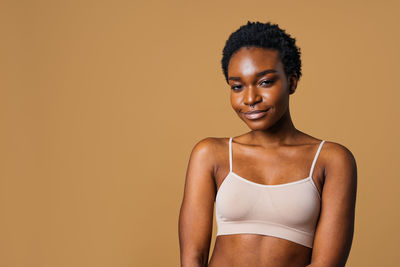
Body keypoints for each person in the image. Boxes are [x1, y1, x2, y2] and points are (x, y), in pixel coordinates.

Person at [178, 21, 357, 267]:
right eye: (237, 86)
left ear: (291, 82)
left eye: (265, 82)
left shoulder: (332, 160)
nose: (250, 98)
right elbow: (192, 257)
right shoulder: (210, 154)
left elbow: (327, 264)